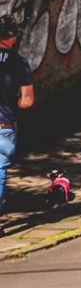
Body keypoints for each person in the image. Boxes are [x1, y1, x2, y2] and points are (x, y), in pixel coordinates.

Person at [0, 15, 35, 235]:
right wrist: (16, 103)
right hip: (4, 124)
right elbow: (27, 100)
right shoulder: (19, 62)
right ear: (11, 37)